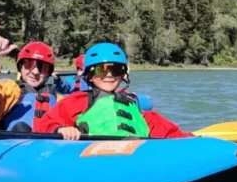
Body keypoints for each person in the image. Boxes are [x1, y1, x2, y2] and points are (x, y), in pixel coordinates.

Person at [33, 42, 192, 140]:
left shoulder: (132, 106)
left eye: (115, 70)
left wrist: (192, 140)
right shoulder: (79, 101)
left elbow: (167, 131)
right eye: (101, 70)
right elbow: (44, 125)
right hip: (94, 156)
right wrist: (60, 129)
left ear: (123, 74)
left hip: (132, 154)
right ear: (90, 74)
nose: (108, 75)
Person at [0, 25, 70, 132]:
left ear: (49, 72)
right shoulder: (8, 91)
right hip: (12, 143)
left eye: (42, 67)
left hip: (49, 147)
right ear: (20, 67)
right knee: (21, 127)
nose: (35, 72)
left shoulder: (61, 101)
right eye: (29, 64)